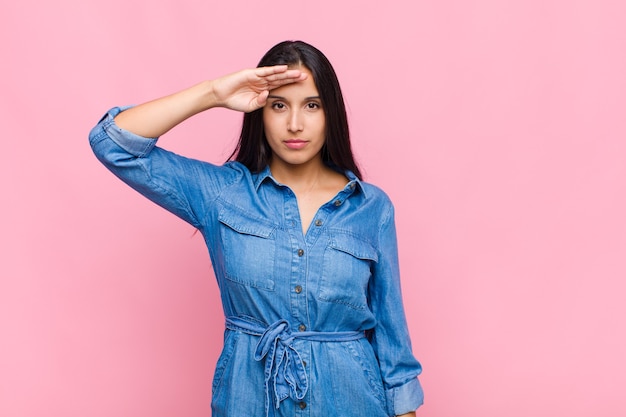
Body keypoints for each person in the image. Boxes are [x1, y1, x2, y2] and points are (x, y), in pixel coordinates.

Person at [89, 40, 423, 417]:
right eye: (279, 106)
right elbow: (113, 143)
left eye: (311, 106)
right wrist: (214, 93)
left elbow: (393, 343)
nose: (294, 124)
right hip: (248, 401)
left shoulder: (370, 207)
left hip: (354, 400)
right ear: (260, 111)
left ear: (331, 113)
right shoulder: (223, 195)